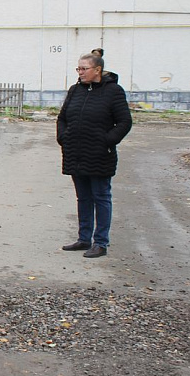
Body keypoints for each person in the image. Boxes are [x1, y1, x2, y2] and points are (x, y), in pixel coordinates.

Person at [57, 50, 132, 258]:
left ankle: (100, 242)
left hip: (100, 154)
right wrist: (63, 137)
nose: (80, 72)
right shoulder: (75, 90)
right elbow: (62, 118)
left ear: (97, 70)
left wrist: (106, 141)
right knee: (83, 198)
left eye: (84, 69)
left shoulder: (113, 91)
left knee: (101, 197)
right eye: (78, 69)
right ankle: (84, 239)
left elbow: (125, 122)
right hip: (75, 152)